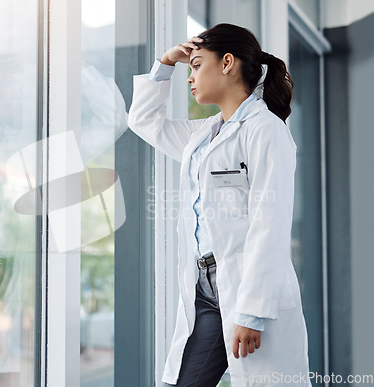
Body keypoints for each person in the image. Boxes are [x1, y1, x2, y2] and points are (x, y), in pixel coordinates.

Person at [127, 23, 311, 386]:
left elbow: (268, 226)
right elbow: (143, 121)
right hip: (206, 291)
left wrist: (252, 314)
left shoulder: (265, 130)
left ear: (227, 63)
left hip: (248, 290)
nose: (189, 76)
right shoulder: (205, 134)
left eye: (196, 65)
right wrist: (165, 63)